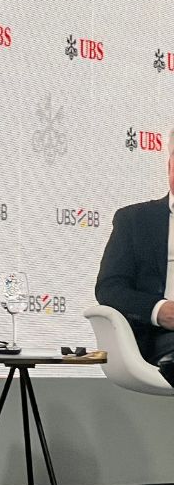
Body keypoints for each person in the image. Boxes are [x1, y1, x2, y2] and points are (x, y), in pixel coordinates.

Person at [96, 130, 174, 388]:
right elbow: (109, 288)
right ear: (169, 164)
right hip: (160, 337)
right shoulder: (135, 220)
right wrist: (159, 310)